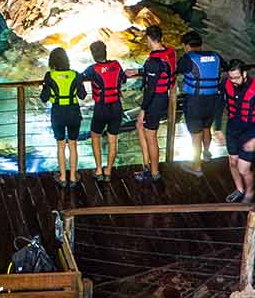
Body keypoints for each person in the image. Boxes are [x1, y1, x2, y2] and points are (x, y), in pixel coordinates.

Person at [175, 30, 223, 176]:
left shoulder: (188, 58)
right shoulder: (215, 56)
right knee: (207, 128)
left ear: (186, 46)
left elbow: (175, 70)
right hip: (213, 100)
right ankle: (207, 154)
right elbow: (226, 68)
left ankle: (196, 167)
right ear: (200, 45)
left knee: (196, 135)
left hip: (195, 101)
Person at [223, 59, 255, 203]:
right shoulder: (226, 84)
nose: (233, 81)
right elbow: (219, 104)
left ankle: (249, 192)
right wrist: (218, 128)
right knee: (232, 161)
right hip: (232, 129)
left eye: (236, 77)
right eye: (231, 77)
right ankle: (239, 189)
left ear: (244, 74)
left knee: (243, 169)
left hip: (251, 131)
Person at [41, 47, 87, 188]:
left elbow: (44, 97)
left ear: (52, 61)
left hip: (58, 113)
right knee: (73, 145)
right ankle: (73, 177)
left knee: (60, 146)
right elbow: (82, 95)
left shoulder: (50, 75)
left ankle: (62, 177)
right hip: (73, 112)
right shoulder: (76, 75)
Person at [135, 25, 175, 183]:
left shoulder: (153, 61)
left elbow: (150, 90)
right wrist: (138, 71)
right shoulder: (170, 52)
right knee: (140, 127)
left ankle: (153, 173)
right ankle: (147, 166)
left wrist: (142, 110)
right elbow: (162, 71)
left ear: (149, 39)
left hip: (155, 101)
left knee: (151, 136)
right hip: (164, 97)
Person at [82, 40, 126, 182]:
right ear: (106, 51)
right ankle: (109, 171)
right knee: (113, 140)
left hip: (101, 108)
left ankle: (99, 169)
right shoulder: (116, 65)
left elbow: (80, 77)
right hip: (116, 107)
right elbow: (123, 79)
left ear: (93, 55)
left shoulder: (92, 69)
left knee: (95, 137)